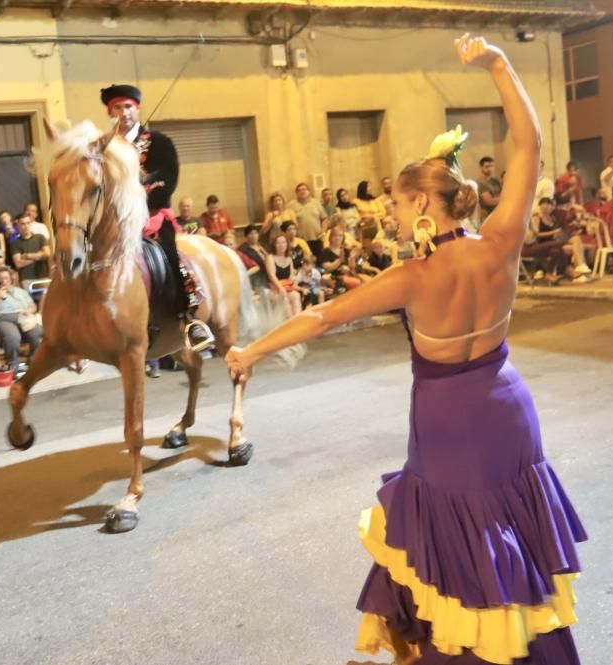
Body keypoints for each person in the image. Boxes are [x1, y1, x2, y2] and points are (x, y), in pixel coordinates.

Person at [226, 34, 586, 665]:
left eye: (395, 203)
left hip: (450, 428)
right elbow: (528, 144)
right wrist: (499, 65)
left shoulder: (412, 278)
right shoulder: (501, 241)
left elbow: (322, 316)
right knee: (508, 539)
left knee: (454, 546)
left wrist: (250, 352)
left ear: (421, 200)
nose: (390, 215)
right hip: (508, 410)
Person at [101, 83, 212, 350]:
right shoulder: (103, 146)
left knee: (169, 257)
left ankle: (188, 318)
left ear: (136, 109)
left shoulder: (158, 142)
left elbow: (167, 180)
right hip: (111, 220)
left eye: (128, 106)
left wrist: (139, 191)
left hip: (149, 217)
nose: (124, 112)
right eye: (118, 107)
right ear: (110, 111)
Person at [0, 266, 43, 374]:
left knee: (37, 331)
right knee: (13, 336)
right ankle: (13, 364)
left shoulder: (21, 291)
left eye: (6, 278)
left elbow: (33, 306)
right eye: (1, 278)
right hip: (3, 319)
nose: (4, 281)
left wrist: (30, 310)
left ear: (11, 279)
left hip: (23, 317)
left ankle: (33, 360)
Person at [265, 234, 302, 316]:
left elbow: (291, 276)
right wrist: (281, 288)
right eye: (278, 243)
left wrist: (296, 282)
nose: (281, 245)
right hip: (274, 287)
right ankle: (290, 323)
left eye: (283, 242)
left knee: (296, 296)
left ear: (287, 244)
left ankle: (297, 321)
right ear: (274, 245)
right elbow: (272, 276)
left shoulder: (289, 258)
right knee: (284, 300)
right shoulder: (270, 257)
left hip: (286, 286)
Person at [9, 214, 50, 286]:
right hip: (26, 279)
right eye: (23, 224)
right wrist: (39, 256)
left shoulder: (40, 237)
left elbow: (47, 254)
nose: (26, 226)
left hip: (43, 277)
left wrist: (28, 255)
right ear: (18, 226)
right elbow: (18, 263)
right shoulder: (15, 243)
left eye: (28, 223)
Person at [288, 182, 327, 258]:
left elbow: (324, 219)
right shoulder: (291, 205)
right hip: (300, 240)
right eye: (299, 190)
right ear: (296, 192)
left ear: (309, 191)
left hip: (316, 239)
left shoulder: (316, 203)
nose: (302, 191)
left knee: (318, 261)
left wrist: (323, 232)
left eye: (304, 189)